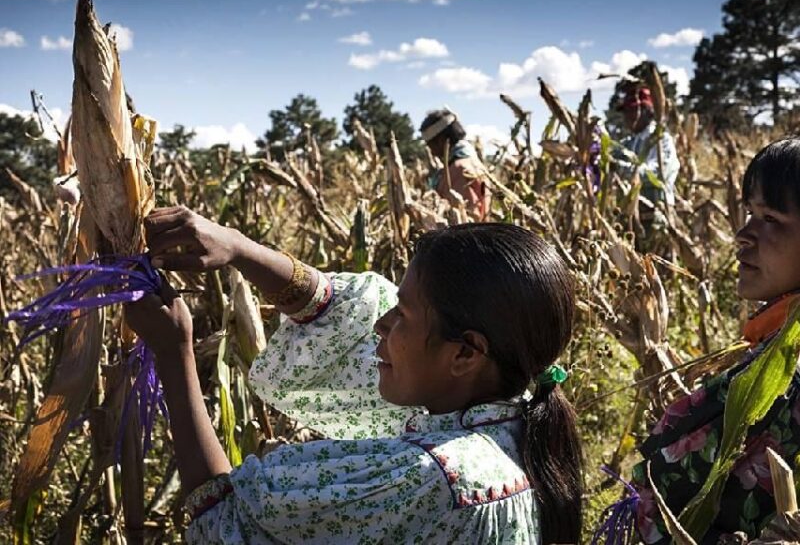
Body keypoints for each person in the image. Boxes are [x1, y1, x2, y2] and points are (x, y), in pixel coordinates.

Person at [124, 208, 584, 544]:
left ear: (465, 352)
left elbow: (223, 522)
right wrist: (239, 248)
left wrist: (174, 352)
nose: (379, 324)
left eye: (401, 314)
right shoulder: (515, 430)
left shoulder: (428, 477)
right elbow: (341, 322)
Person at [627, 137, 800, 543]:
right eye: (749, 214)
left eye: (771, 218)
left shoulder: (791, 369)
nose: (743, 234)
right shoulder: (773, 341)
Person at [613, 85, 680, 246]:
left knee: (656, 267)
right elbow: (610, 153)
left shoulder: (661, 140)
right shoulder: (629, 143)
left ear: (646, 111)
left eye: (630, 111)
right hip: (630, 219)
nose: (626, 117)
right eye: (625, 112)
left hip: (655, 217)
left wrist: (620, 168)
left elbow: (657, 173)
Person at [420, 108, 492, 220]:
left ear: (441, 140)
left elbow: (470, 216)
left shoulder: (459, 169)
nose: (432, 152)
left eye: (430, 145)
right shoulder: (471, 162)